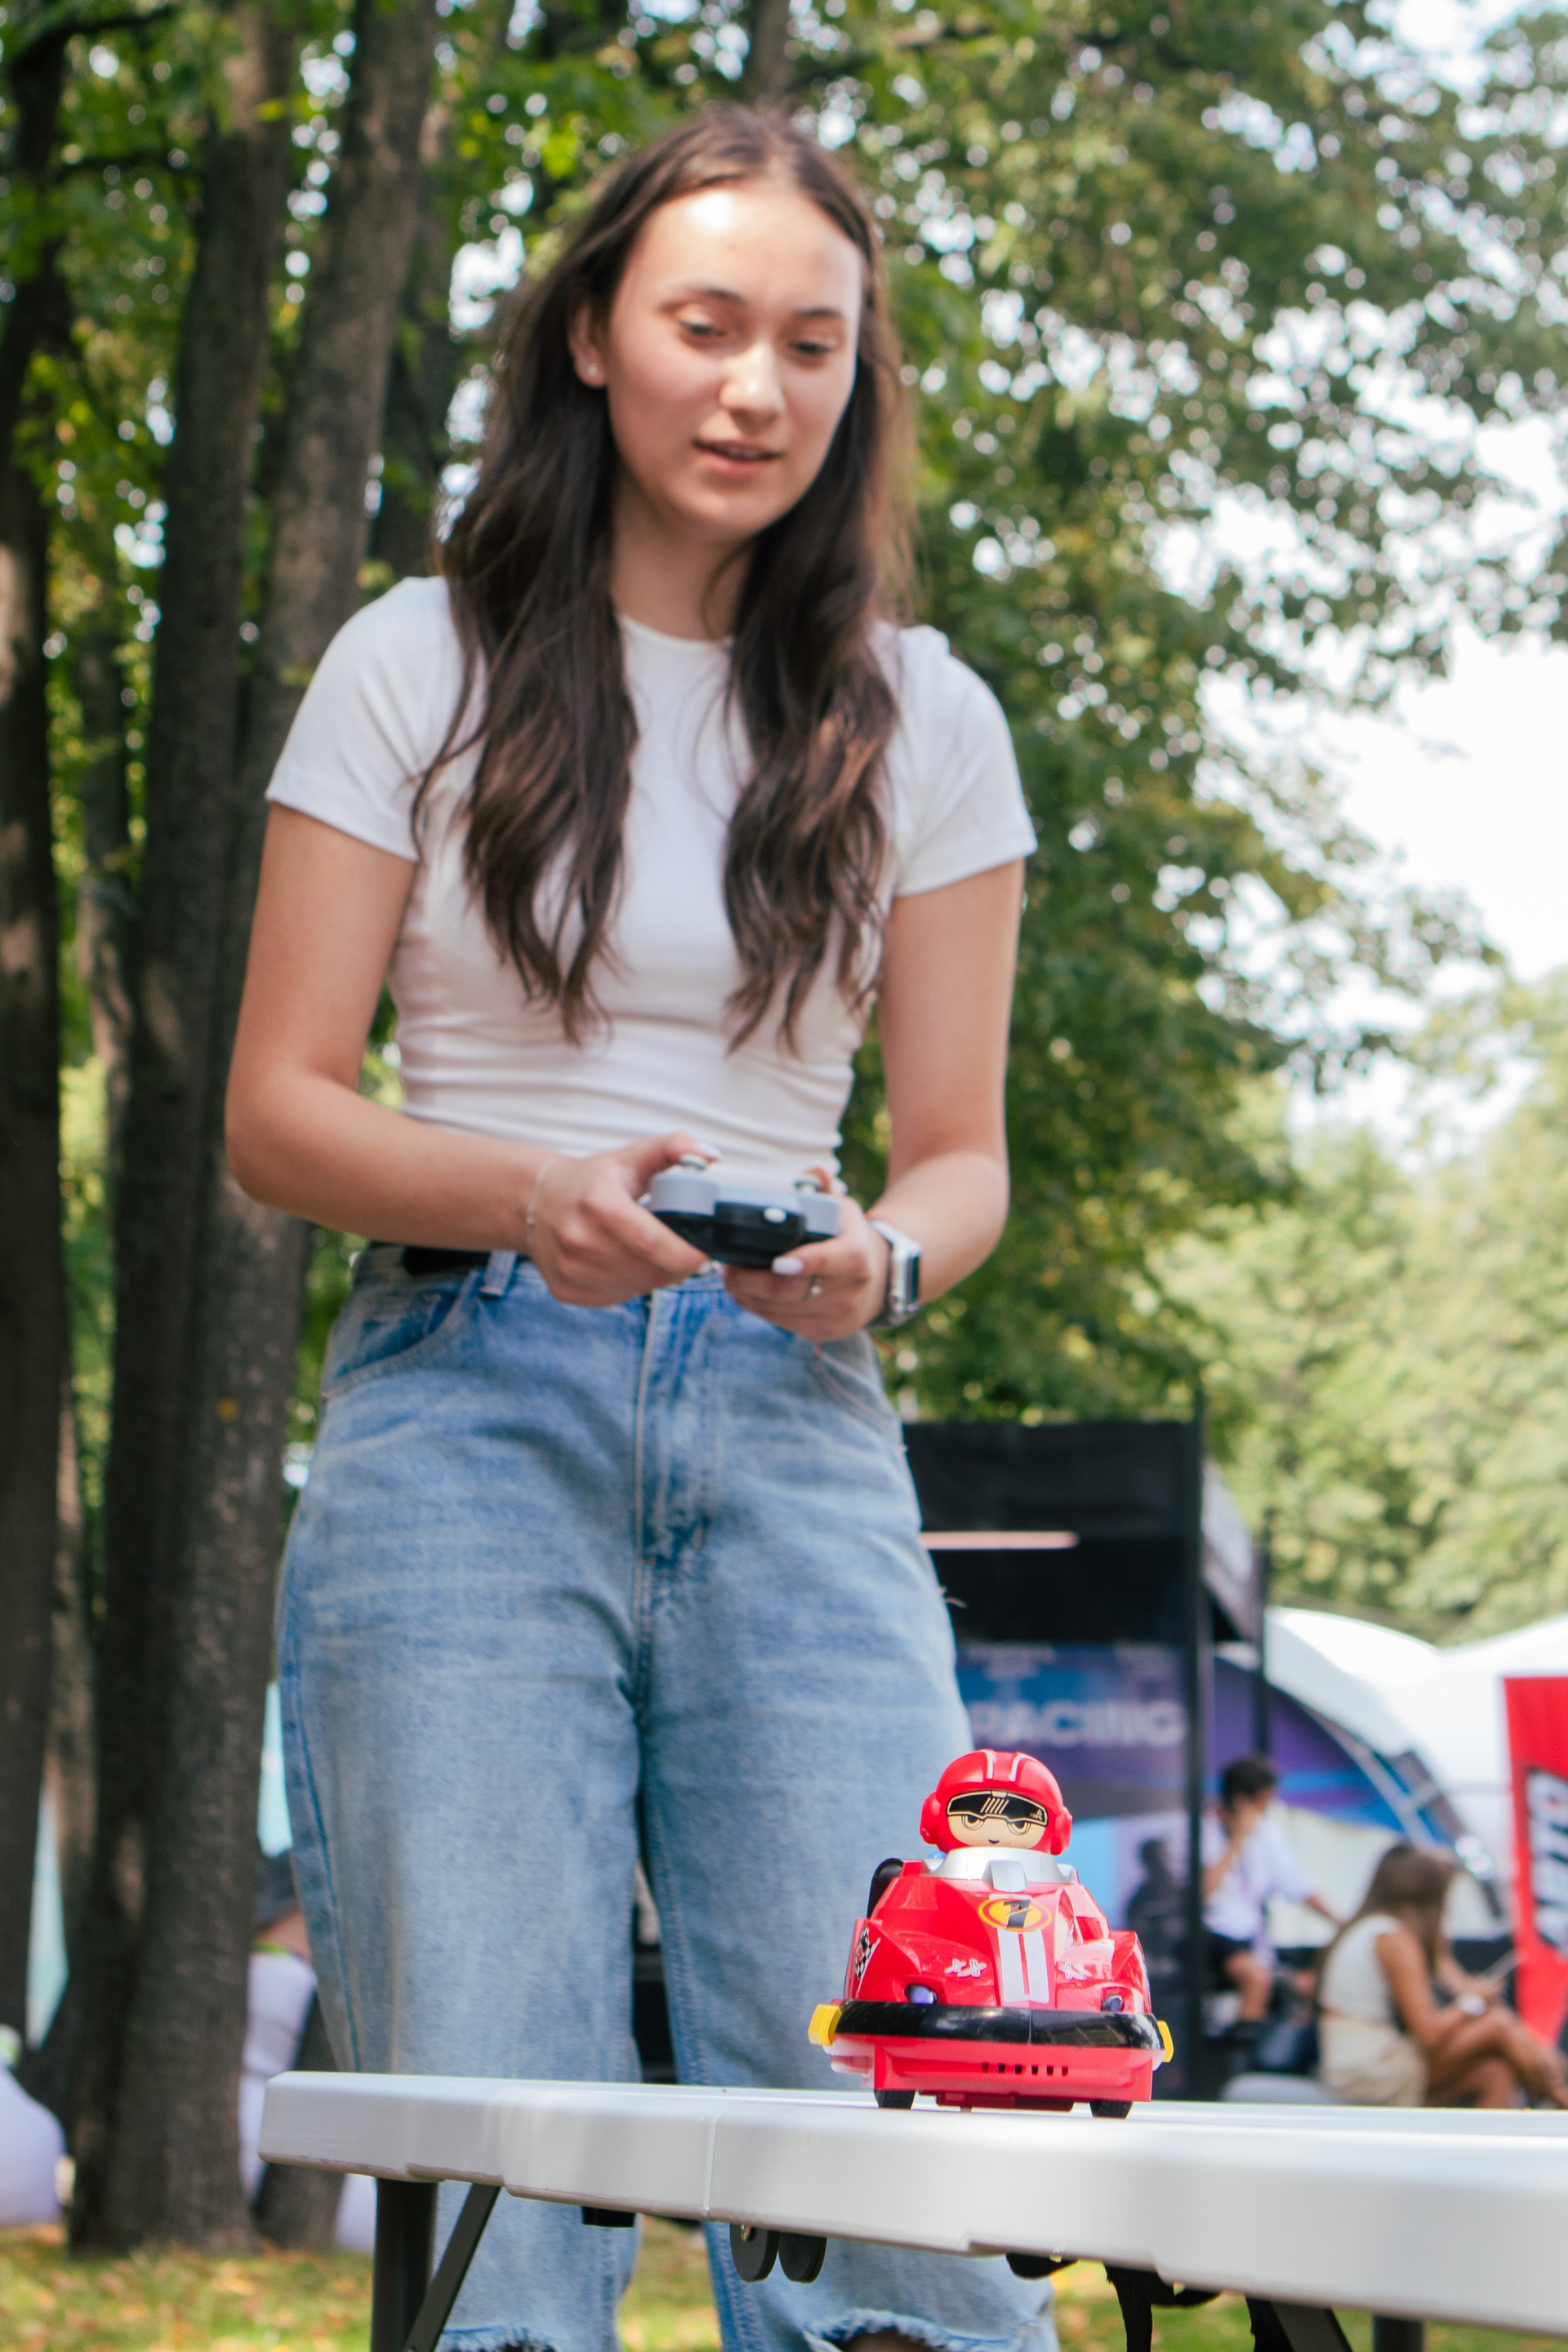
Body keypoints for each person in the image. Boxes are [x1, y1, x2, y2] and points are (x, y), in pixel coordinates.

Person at [226, 106, 1048, 2352]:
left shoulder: (923, 716)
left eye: (812, 344)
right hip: (463, 1404)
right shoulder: (416, 661)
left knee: (900, 2124)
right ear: (594, 333)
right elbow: (278, 1111)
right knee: (496, 2153)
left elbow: (957, 1153)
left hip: (792, 1415)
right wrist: (529, 1195)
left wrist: (884, 1261)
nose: (757, 388)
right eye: (706, 325)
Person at [1318, 1845, 1568, 2109]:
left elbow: (1453, 1980)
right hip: (1369, 2068)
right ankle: (1560, 2098)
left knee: (1495, 2073)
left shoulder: (1374, 1928)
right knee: (1497, 2027)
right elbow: (1428, 2034)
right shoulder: (1394, 1939)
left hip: (1359, 2063)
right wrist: (1472, 2002)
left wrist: (1473, 1996)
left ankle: (1551, 2098)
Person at [1202, 1756, 1338, 2025]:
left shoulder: (1267, 1832)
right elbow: (1205, 1892)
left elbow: (1300, 1885)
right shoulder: (1203, 1829)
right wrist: (1238, 1839)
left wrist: (1341, 1922)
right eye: (1264, 1800)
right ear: (1241, 1801)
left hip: (1254, 1937)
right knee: (1257, 1979)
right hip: (1214, 1936)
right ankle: (1244, 2043)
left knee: (1313, 1981)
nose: (1268, 1807)